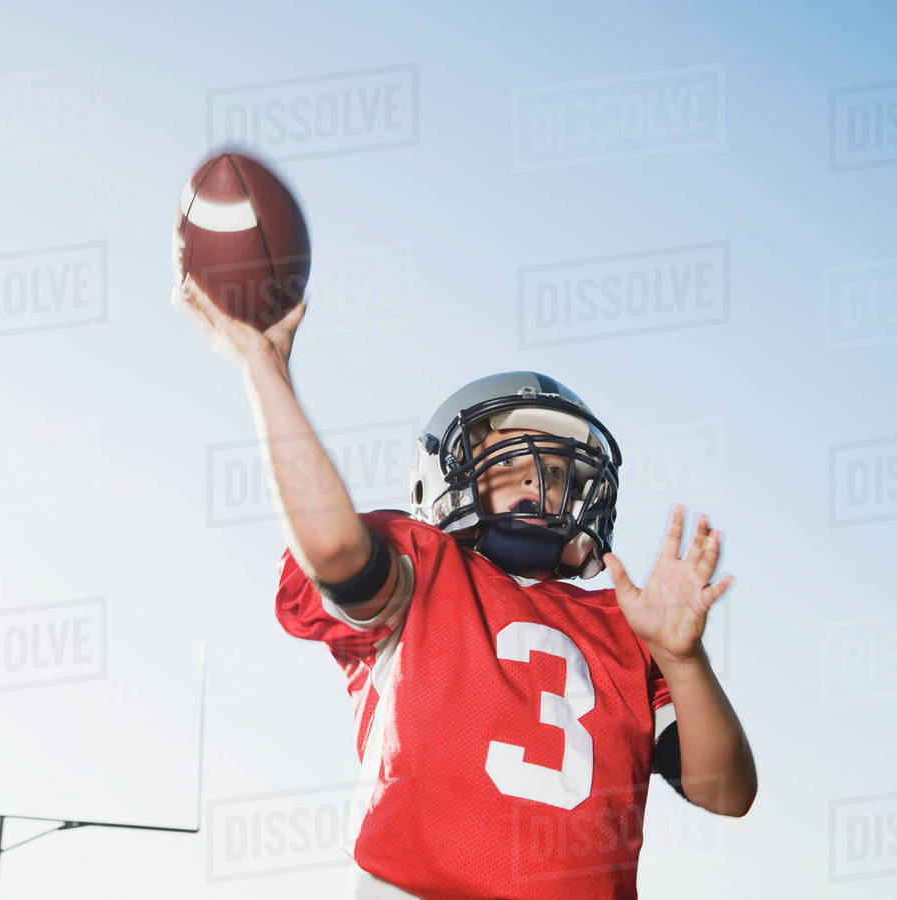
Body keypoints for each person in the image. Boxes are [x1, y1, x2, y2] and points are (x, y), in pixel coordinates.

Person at [174, 275, 756, 899]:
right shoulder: (425, 568)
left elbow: (727, 793)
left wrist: (682, 657)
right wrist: (266, 370)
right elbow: (336, 547)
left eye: (556, 471)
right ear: (444, 479)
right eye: (508, 461)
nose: (536, 478)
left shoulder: (627, 626)